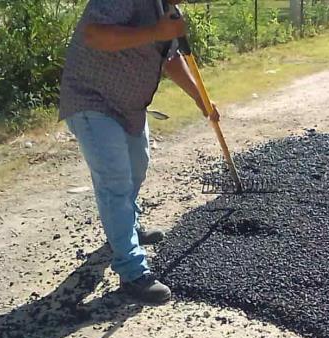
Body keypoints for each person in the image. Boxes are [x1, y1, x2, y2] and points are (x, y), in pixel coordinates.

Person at [59, 0, 219, 303]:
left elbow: (170, 59)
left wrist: (201, 99)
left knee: (137, 168)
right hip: (92, 99)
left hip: (130, 108)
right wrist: (155, 31)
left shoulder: (167, 8)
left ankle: (126, 228)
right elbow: (95, 35)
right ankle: (132, 271)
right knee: (115, 181)